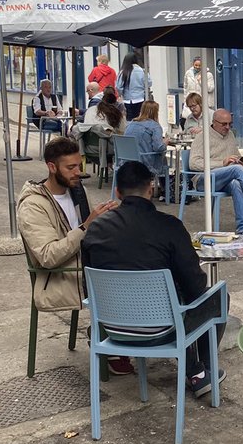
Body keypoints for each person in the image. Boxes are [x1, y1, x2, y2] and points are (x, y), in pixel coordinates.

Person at [82, 160, 225, 397]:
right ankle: (201, 373)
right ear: (151, 188)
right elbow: (196, 288)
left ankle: (197, 371)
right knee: (218, 296)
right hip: (162, 330)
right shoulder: (169, 227)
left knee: (177, 298)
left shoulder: (95, 230)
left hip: (112, 328)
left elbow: (89, 289)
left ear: (117, 191)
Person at [16, 138, 123, 370]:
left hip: (84, 264)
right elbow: (47, 256)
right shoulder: (33, 205)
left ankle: (121, 334)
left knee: (139, 261)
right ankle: (115, 336)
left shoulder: (76, 190)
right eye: (71, 167)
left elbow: (89, 232)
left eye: (80, 165)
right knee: (125, 277)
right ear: (52, 167)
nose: (79, 172)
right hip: (61, 275)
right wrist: (87, 226)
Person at [125, 101, 169, 198]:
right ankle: (166, 191)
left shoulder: (131, 124)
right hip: (144, 161)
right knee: (164, 159)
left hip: (127, 160)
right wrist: (165, 142)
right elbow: (158, 147)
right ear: (155, 112)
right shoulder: (154, 126)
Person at [116, 54, 150, 121]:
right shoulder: (142, 71)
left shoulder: (123, 72)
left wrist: (122, 94)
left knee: (129, 119)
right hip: (140, 98)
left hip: (127, 100)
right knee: (140, 118)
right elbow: (149, 83)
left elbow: (119, 87)